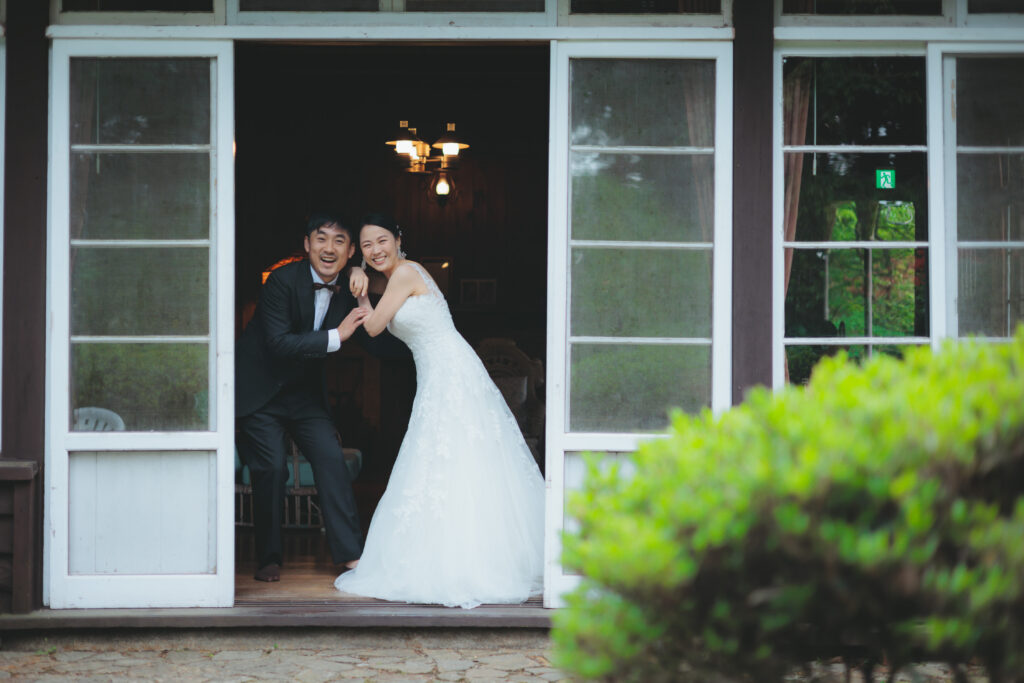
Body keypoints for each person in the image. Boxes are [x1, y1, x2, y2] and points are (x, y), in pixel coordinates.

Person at [334, 213, 545, 608]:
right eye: (366, 246)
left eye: (382, 240)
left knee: (453, 453)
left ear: (398, 239)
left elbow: (374, 327)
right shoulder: (395, 277)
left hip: (449, 371)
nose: (376, 250)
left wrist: (360, 292)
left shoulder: (405, 273)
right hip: (440, 371)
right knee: (450, 455)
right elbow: (373, 297)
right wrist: (356, 274)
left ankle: (472, 560)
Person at [236, 212, 402, 582]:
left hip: (305, 396)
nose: (329, 248)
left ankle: (351, 557)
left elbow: (376, 342)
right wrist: (336, 337)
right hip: (261, 392)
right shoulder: (281, 280)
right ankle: (268, 558)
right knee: (271, 468)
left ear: (351, 251)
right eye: (322, 238)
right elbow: (278, 343)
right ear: (307, 244)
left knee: (331, 460)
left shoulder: (351, 287)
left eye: (339, 241)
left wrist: (421, 349)